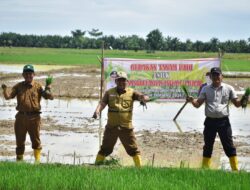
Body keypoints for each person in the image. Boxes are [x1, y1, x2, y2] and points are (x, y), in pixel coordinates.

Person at [186, 67, 244, 171]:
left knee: (229, 146)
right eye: (214, 75)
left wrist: (245, 99)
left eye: (218, 75)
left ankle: (235, 170)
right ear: (211, 77)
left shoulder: (229, 88)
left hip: (224, 122)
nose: (216, 77)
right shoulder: (205, 88)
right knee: (208, 145)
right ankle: (205, 169)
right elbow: (198, 104)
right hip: (210, 122)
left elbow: (237, 104)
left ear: (222, 76)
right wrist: (192, 101)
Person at [93, 71, 149, 167]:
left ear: (127, 81)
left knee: (133, 149)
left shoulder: (132, 93)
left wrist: (144, 98)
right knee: (105, 149)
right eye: (119, 80)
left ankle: (140, 169)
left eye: (123, 80)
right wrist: (97, 111)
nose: (121, 83)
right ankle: (96, 166)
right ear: (116, 81)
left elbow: (141, 96)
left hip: (126, 128)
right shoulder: (109, 93)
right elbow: (102, 103)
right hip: (111, 127)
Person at [1, 64, 54, 163]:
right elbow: (8, 97)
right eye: (26, 74)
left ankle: (37, 162)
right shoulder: (18, 86)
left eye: (30, 73)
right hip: (20, 118)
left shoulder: (38, 86)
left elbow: (49, 97)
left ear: (34, 74)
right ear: (23, 75)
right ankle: (19, 162)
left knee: (36, 140)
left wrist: (48, 88)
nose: (28, 76)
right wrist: (4, 90)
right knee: (19, 141)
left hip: (34, 118)